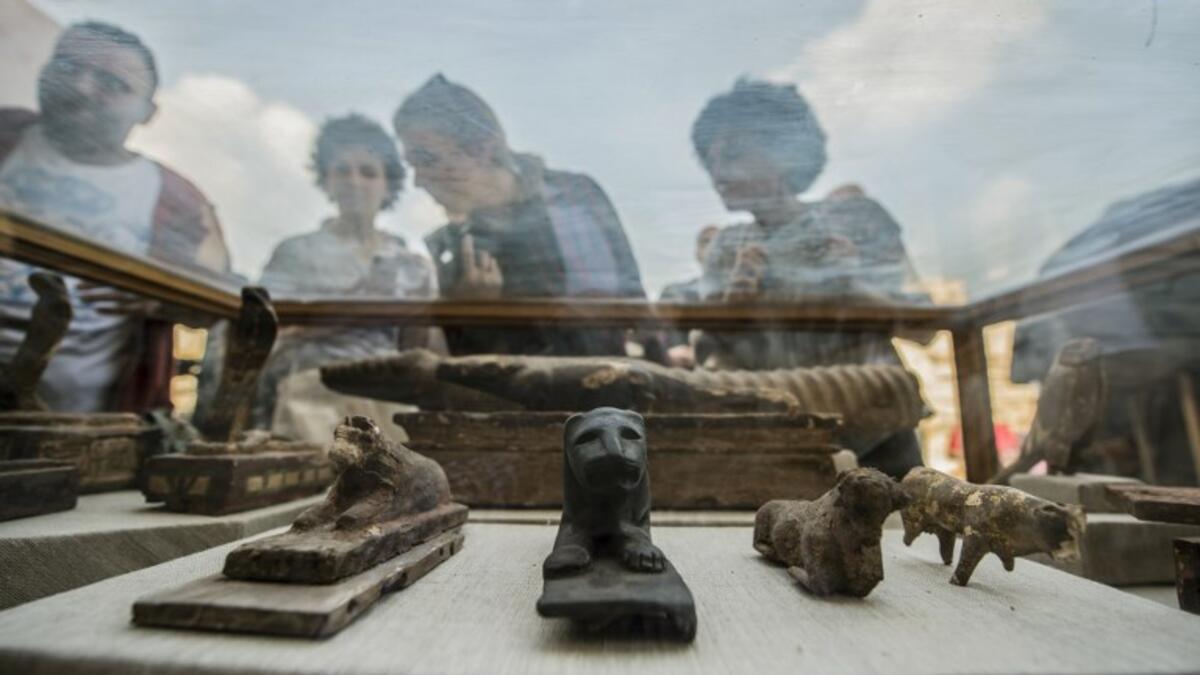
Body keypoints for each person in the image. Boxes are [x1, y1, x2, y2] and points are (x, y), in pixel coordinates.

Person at [690, 78, 930, 476]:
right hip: (776, 437)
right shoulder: (727, 247)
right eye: (710, 160)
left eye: (732, 153)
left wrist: (849, 285)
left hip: (874, 426)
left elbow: (924, 327)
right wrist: (732, 312)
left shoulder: (856, 219)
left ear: (783, 153)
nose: (718, 172)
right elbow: (710, 356)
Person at [0, 21, 230, 413]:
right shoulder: (4, 135)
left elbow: (221, 303)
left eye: (111, 83)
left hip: (80, 422)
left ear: (148, 112)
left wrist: (158, 300)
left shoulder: (182, 202)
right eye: (69, 68)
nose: (82, 87)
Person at [393, 74, 645, 356]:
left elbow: (634, 302)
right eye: (412, 165)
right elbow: (460, 367)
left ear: (484, 147)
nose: (418, 181)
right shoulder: (448, 248)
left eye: (427, 159)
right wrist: (466, 311)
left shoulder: (575, 198)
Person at [249, 113, 443, 427]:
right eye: (342, 170)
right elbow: (261, 335)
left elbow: (421, 351)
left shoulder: (413, 266)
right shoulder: (296, 252)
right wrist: (351, 307)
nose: (354, 181)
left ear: (388, 184)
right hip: (308, 394)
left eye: (368, 172)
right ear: (326, 179)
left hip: (387, 397)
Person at [658, 224, 719, 368]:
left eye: (719, 242)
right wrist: (672, 352)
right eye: (706, 241)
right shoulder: (674, 293)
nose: (713, 247)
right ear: (697, 253)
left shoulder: (743, 298)